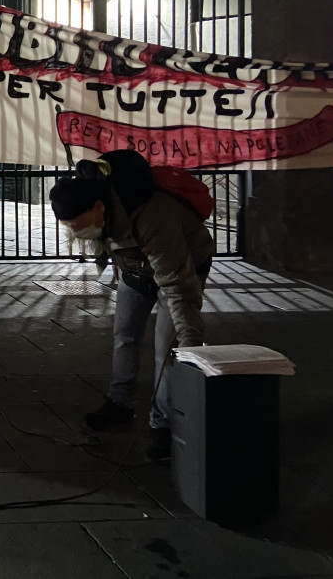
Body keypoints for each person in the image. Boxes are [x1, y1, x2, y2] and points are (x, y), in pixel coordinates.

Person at [49, 150, 214, 461]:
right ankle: (120, 403)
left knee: (168, 347)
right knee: (125, 335)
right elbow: (109, 245)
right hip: (135, 270)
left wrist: (192, 348)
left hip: (182, 265)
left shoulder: (153, 215)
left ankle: (163, 425)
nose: (76, 233)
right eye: (69, 227)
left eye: (79, 225)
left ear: (98, 208)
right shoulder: (100, 212)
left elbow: (179, 288)